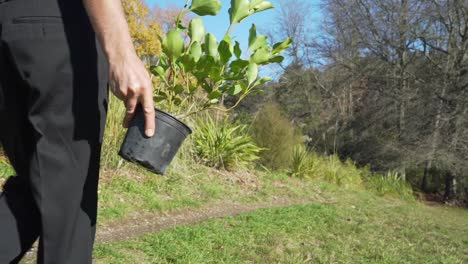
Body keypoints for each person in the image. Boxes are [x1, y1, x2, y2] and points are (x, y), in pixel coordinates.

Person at [0, 0, 155, 262]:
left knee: (36, 190)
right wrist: (121, 53)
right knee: (70, 211)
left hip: (8, 27)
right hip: (59, 28)